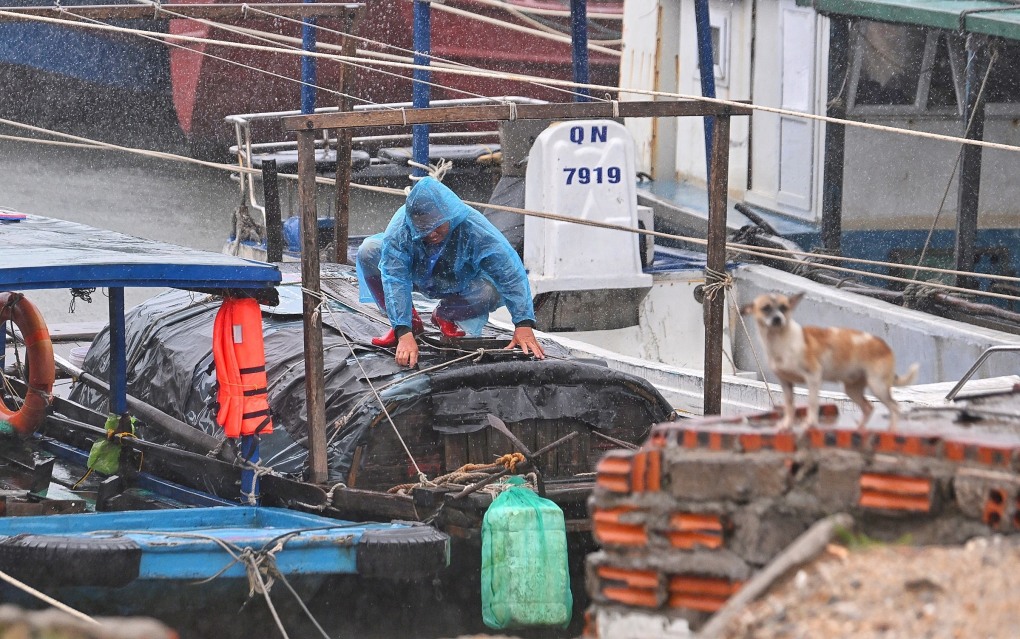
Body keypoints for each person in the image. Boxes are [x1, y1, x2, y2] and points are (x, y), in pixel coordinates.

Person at [356, 177, 545, 368]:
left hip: (461, 281)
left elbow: (508, 270)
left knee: (490, 291)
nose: (431, 234)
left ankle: (446, 314)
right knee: (368, 251)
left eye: (437, 226)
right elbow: (394, 277)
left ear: (447, 215)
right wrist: (403, 332)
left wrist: (523, 323)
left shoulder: (473, 226)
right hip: (417, 275)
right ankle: (410, 322)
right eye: (423, 229)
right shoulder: (399, 230)